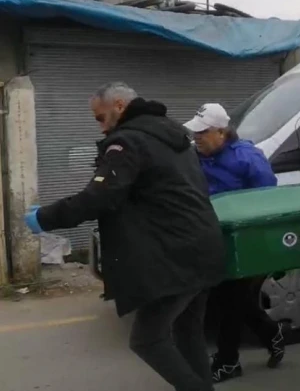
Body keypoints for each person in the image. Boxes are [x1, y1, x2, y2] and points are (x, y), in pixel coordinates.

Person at [23, 82, 225, 391]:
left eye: (100, 117)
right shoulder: (172, 133)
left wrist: (44, 218)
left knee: (148, 340)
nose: (101, 127)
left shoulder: (128, 142)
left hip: (176, 256)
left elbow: (99, 196)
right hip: (202, 246)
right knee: (188, 332)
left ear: (119, 106)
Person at [182, 103, 286, 383]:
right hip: (211, 237)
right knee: (231, 299)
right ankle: (271, 333)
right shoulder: (194, 156)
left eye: (203, 133)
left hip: (245, 241)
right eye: (195, 133)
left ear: (221, 132)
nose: (197, 138)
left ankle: (228, 361)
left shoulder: (247, 158)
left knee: (229, 300)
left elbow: (268, 200)